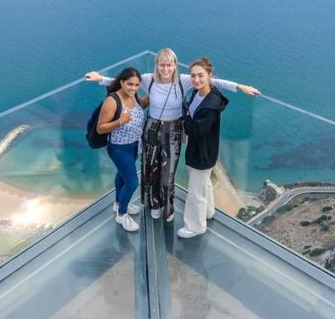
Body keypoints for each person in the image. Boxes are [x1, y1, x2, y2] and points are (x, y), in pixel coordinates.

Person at [86, 48, 259, 223]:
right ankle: (153, 204)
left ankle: (167, 208)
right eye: (162, 65)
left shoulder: (184, 81)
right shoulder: (149, 80)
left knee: (168, 172)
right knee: (150, 168)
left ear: (175, 65)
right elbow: (123, 81)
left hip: (174, 129)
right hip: (152, 127)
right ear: (157, 65)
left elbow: (213, 81)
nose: (166, 69)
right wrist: (100, 79)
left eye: (169, 65)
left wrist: (239, 86)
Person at [178, 57, 229, 238]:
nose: (196, 79)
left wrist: (184, 115)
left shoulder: (210, 105)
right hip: (201, 151)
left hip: (202, 153)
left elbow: (195, 130)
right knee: (203, 184)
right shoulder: (199, 93)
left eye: (200, 75)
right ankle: (208, 212)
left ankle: (195, 226)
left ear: (209, 76)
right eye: (193, 76)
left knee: (196, 192)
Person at [96, 67, 148, 232]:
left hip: (134, 145)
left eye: (136, 85)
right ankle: (122, 215)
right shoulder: (112, 101)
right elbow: (100, 128)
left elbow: (143, 104)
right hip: (119, 148)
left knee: (122, 175)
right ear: (121, 82)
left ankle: (118, 203)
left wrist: (160, 94)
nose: (133, 88)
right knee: (132, 182)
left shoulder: (134, 97)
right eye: (129, 84)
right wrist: (120, 121)